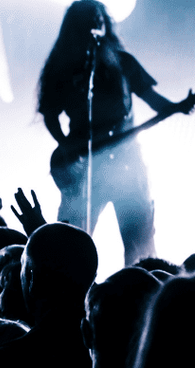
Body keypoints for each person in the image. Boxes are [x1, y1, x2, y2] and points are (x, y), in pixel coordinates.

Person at [38, 0, 193, 266]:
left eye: (99, 18)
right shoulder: (62, 67)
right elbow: (49, 114)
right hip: (84, 169)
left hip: (128, 166)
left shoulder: (123, 63)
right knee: (73, 242)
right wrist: (66, 147)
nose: (96, 24)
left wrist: (178, 106)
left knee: (140, 242)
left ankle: (142, 293)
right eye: (89, 20)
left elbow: (153, 99)